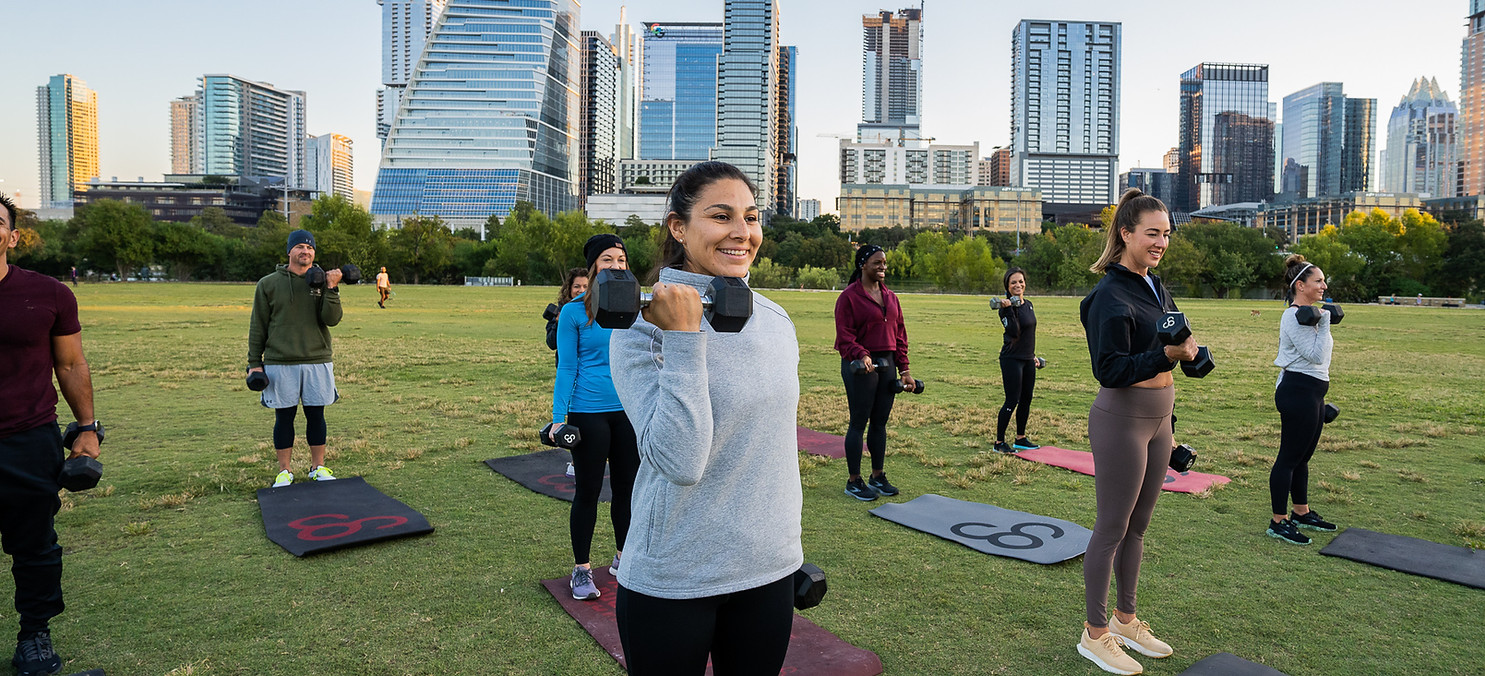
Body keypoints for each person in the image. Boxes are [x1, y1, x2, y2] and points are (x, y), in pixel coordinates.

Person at [610, 161, 802, 675]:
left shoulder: (777, 321)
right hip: (675, 575)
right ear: (678, 227)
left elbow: (772, 451)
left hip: (768, 568)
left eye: (752, 217)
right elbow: (680, 460)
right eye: (721, 216)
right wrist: (683, 337)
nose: (742, 233)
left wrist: (787, 545)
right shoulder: (639, 329)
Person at [1076, 188, 1191, 675]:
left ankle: (1125, 619)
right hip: (1122, 420)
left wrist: (1188, 351)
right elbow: (1110, 369)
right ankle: (1095, 633)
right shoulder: (1108, 294)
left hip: (1159, 419)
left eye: (1166, 234)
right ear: (1126, 234)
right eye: (1152, 233)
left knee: (1138, 528)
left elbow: (1167, 334)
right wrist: (1166, 355)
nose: (1161, 241)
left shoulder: (1154, 284)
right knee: (1111, 528)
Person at [0, 191, 99, 676]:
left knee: (35, 545)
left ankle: (34, 637)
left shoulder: (49, 294)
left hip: (28, 438)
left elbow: (71, 362)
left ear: (12, 236)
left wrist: (86, 428)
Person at [550, 235, 639, 601]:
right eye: (607, 260)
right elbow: (566, 366)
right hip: (587, 413)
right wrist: (558, 418)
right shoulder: (573, 311)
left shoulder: (637, 306)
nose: (616, 266)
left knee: (627, 491)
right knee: (587, 492)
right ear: (593, 268)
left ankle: (624, 558)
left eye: (621, 260)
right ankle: (582, 570)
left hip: (628, 412)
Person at [247, 229, 344, 488]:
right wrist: (254, 362)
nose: (306, 251)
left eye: (310, 247)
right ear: (289, 251)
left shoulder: (323, 281)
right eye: (300, 246)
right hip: (281, 362)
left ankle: (318, 467)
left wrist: (331, 289)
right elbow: (258, 326)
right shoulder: (268, 284)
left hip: (317, 359)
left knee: (316, 416)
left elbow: (331, 320)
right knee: (284, 418)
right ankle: (284, 471)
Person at [1267, 254, 1336, 545]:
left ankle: (1301, 511)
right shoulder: (1294, 316)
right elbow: (1316, 355)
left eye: (1323, 281)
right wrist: (1327, 321)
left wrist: (1322, 320)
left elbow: (1321, 361)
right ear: (1300, 286)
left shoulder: (1312, 315)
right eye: (1318, 281)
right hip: (1297, 390)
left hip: (1313, 390)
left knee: (1303, 457)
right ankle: (1278, 521)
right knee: (1289, 458)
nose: (1323, 286)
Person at [833, 244, 911, 501]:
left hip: (887, 363)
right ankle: (854, 481)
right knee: (858, 423)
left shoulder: (891, 297)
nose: (883, 267)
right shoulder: (848, 297)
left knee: (880, 423)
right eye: (877, 263)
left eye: (885, 263)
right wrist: (861, 354)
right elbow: (844, 336)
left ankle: (877, 476)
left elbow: (900, 336)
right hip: (860, 365)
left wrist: (905, 370)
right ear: (863, 265)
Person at [993, 267, 1044, 454]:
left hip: (1027, 359)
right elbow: (1014, 332)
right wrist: (1008, 310)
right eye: (1013, 282)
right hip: (1011, 359)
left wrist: (1033, 355)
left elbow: (1030, 333)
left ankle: (1020, 439)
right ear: (1007, 286)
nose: (1018, 285)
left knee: (1026, 399)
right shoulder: (1004, 309)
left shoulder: (1029, 304)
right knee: (1012, 400)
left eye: (1021, 281)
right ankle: (999, 443)